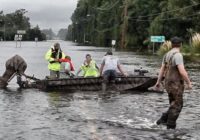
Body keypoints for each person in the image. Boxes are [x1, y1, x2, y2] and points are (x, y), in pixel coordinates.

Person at [154, 36, 192, 129]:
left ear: (171, 45)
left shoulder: (167, 55)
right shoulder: (178, 55)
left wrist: (158, 82)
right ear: (181, 45)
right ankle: (170, 127)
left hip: (168, 84)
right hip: (175, 84)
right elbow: (182, 71)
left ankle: (163, 120)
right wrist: (189, 83)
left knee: (173, 104)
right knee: (177, 105)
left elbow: (162, 69)